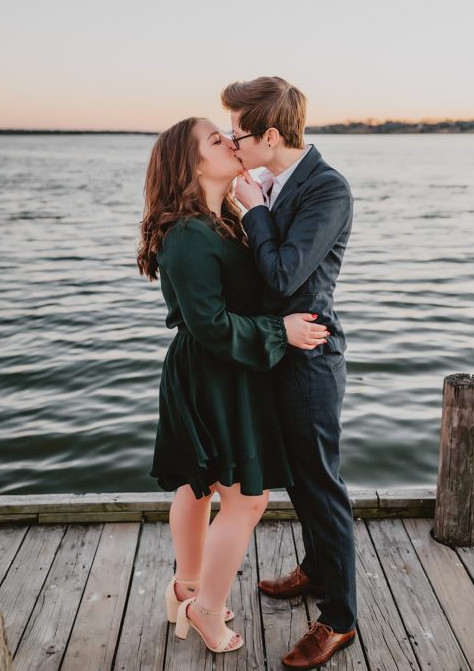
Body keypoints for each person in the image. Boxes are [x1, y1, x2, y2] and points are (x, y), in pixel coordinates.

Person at [137, 117, 330, 654]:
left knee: (196, 485)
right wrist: (282, 331)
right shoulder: (191, 234)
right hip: (212, 373)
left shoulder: (220, 219)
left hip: (220, 370)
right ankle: (203, 608)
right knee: (246, 500)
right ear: (192, 162)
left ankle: (186, 586)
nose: (231, 142)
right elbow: (211, 325)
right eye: (216, 140)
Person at [226, 76, 356, 668]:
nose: (233, 145)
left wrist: (252, 212)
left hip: (310, 358)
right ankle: (314, 567)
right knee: (296, 477)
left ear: (270, 135)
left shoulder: (327, 189)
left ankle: (340, 618)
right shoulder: (267, 180)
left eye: (238, 135)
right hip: (274, 349)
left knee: (320, 482)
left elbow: (284, 276)